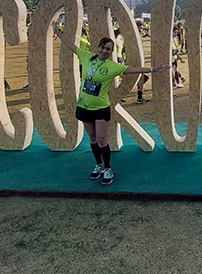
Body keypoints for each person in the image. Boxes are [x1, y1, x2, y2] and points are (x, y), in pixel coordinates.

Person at [52, 21, 169, 186]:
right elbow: (70, 45)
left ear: (111, 52)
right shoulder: (86, 56)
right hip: (84, 106)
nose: (105, 51)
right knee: (92, 137)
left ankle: (108, 168)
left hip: (100, 108)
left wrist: (153, 70)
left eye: (109, 49)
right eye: (103, 47)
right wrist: (57, 31)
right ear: (98, 47)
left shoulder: (112, 66)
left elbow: (132, 69)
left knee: (101, 138)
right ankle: (98, 165)